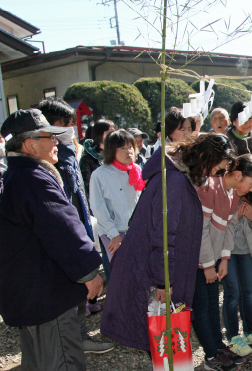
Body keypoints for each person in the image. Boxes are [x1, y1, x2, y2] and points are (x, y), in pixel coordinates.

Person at [100, 134, 236, 363]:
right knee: (159, 332)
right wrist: (164, 281)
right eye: (218, 169)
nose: (217, 175)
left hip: (154, 267)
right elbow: (163, 237)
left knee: (161, 334)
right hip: (151, 270)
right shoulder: (174, 181)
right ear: (205, 157)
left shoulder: (180, 177)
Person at [0, 109, 104, 370]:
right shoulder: (32, 179)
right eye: (49, 137)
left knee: (39, 360)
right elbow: (62, 229)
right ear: (30, 144)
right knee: (61, 360)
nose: (56, 142)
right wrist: (88, 272)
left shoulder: (12, 178)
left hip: (26, 290)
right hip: (45, 294)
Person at [35, 99, 112, 348]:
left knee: (77, 293)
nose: (71, 130)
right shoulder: (47, 161)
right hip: (66, 235)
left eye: (72, 124)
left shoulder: (67, 150)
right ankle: (72, 342)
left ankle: (78, 337)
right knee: (70, 292)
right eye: (65, 125)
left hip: (78, 227)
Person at [192, 154, 252, 369]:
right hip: (197, 261)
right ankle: (211, 356)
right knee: (202, 307)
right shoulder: (210, 188)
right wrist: (207, 265)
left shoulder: (233, 194)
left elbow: (227, 229)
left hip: (212, 259)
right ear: (238, 174)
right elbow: (201, 231)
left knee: (213, 305)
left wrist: (223, 258)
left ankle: (217, 346)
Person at [221, 159, 252, 357]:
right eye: (250, 187)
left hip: (244, 251)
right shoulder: (232, 192)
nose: (249, 193)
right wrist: (237, 216)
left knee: (248, 292)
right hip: (227, 252)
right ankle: (233, 337)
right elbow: (222, 225)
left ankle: (250, 331)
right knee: (232, 293)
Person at [90, 130, 143, 267]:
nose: (128, 151)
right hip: (112, 232)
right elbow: (98, 208)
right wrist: (113, 234)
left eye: (130, 147)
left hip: (135, 230)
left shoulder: (136, 170)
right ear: (111, 151)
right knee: (121, 271)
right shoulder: (100, 174)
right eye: (122, 148)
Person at [80, 119, 115, 198]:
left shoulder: (117, 154)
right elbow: (87, 187)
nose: (113, 136)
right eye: (109, 132)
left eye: (114, 132)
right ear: (99, 134)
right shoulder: (87, 158)